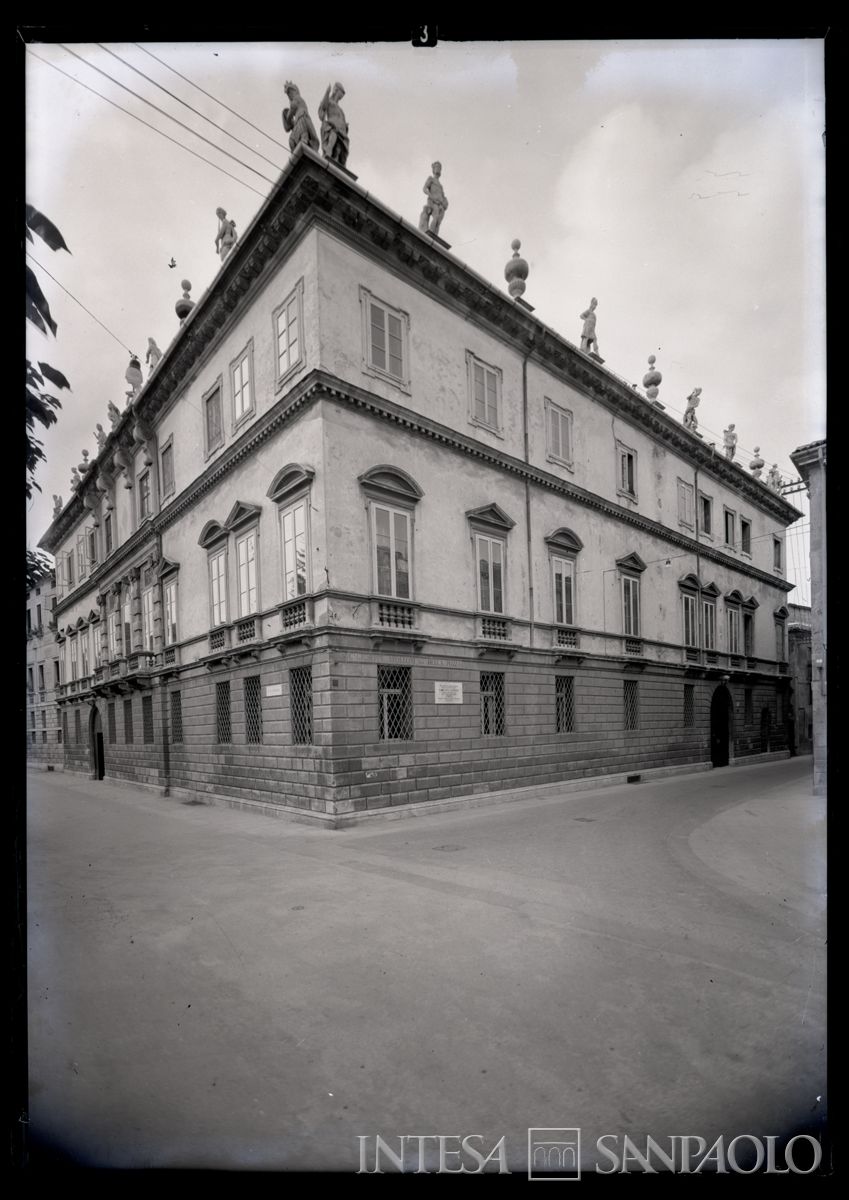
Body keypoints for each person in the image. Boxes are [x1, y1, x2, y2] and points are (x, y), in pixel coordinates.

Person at [318, 82, 350, 168]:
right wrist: (327, 92)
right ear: (336, 90)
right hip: (332, 127)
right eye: (341, 91)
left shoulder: (340, 109)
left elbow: (342, 120)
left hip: (342, 131)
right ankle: (328, 155)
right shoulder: (329, 101)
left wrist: (345, 126)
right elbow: (322, 110)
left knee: (339, 148)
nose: (342, 95)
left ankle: (337, 163)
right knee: (333, 137)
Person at [282, 82, 319, 152]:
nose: (289, 96)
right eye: (288, 94)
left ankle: (305, 143)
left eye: (289, 93)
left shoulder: (297, 98)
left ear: (294, 91)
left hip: (302, 119)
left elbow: (292, 109)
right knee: (291, 140)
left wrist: (287, 116)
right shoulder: (295, 100)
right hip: (298, 122)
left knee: (303, 136)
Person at [418, 162, 449, 236]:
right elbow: (424, 189)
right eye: (437, 167)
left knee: (438, 222)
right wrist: (431, 196)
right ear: (433, 169)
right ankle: (430, 235)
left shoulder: (440, 186)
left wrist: (444, 202)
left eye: (439, 168)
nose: (438, 169)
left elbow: (442, 195)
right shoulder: (431, 179)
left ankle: (435, 236)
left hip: (440, 205)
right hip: (433, 202)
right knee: (435, 218)